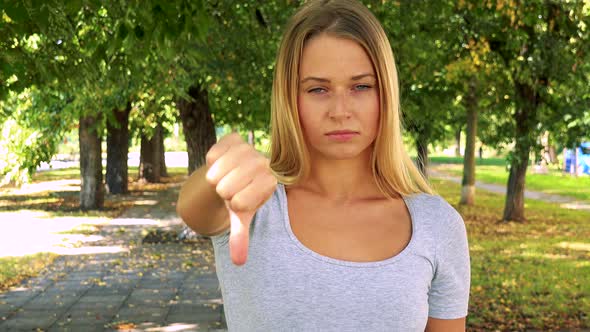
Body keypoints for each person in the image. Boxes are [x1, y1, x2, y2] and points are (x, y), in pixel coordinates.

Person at [176, 0, 471, 331]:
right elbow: (194, 209)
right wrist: (217, 176)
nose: (340, 110)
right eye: (318, 89)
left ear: (385, 93)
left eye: (361, 86)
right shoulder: (253, 206)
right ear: (290, 98)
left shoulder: (438, 225)